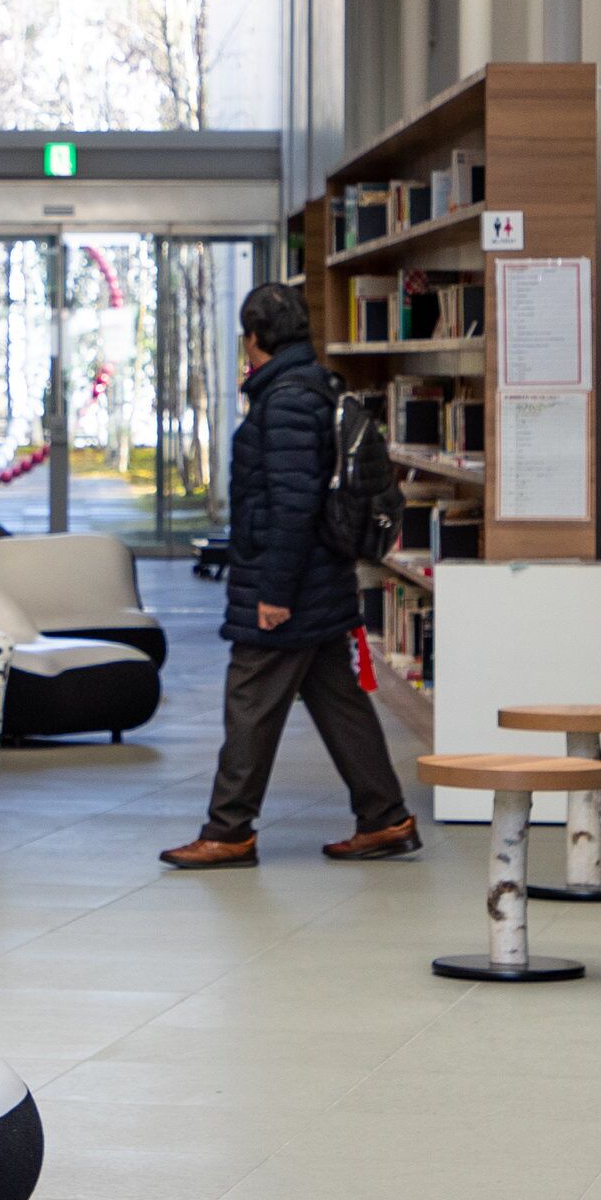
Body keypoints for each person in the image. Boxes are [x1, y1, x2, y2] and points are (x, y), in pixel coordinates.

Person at [161, 282, 419, 869]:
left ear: (252, 339)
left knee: (249, 701)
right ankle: (385, 818)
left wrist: (273, 594)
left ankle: (229, 830)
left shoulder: (287, 401)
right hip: (321, 578)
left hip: (290, 584)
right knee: (338, 701)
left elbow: (293, 504)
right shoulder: (309, 389)